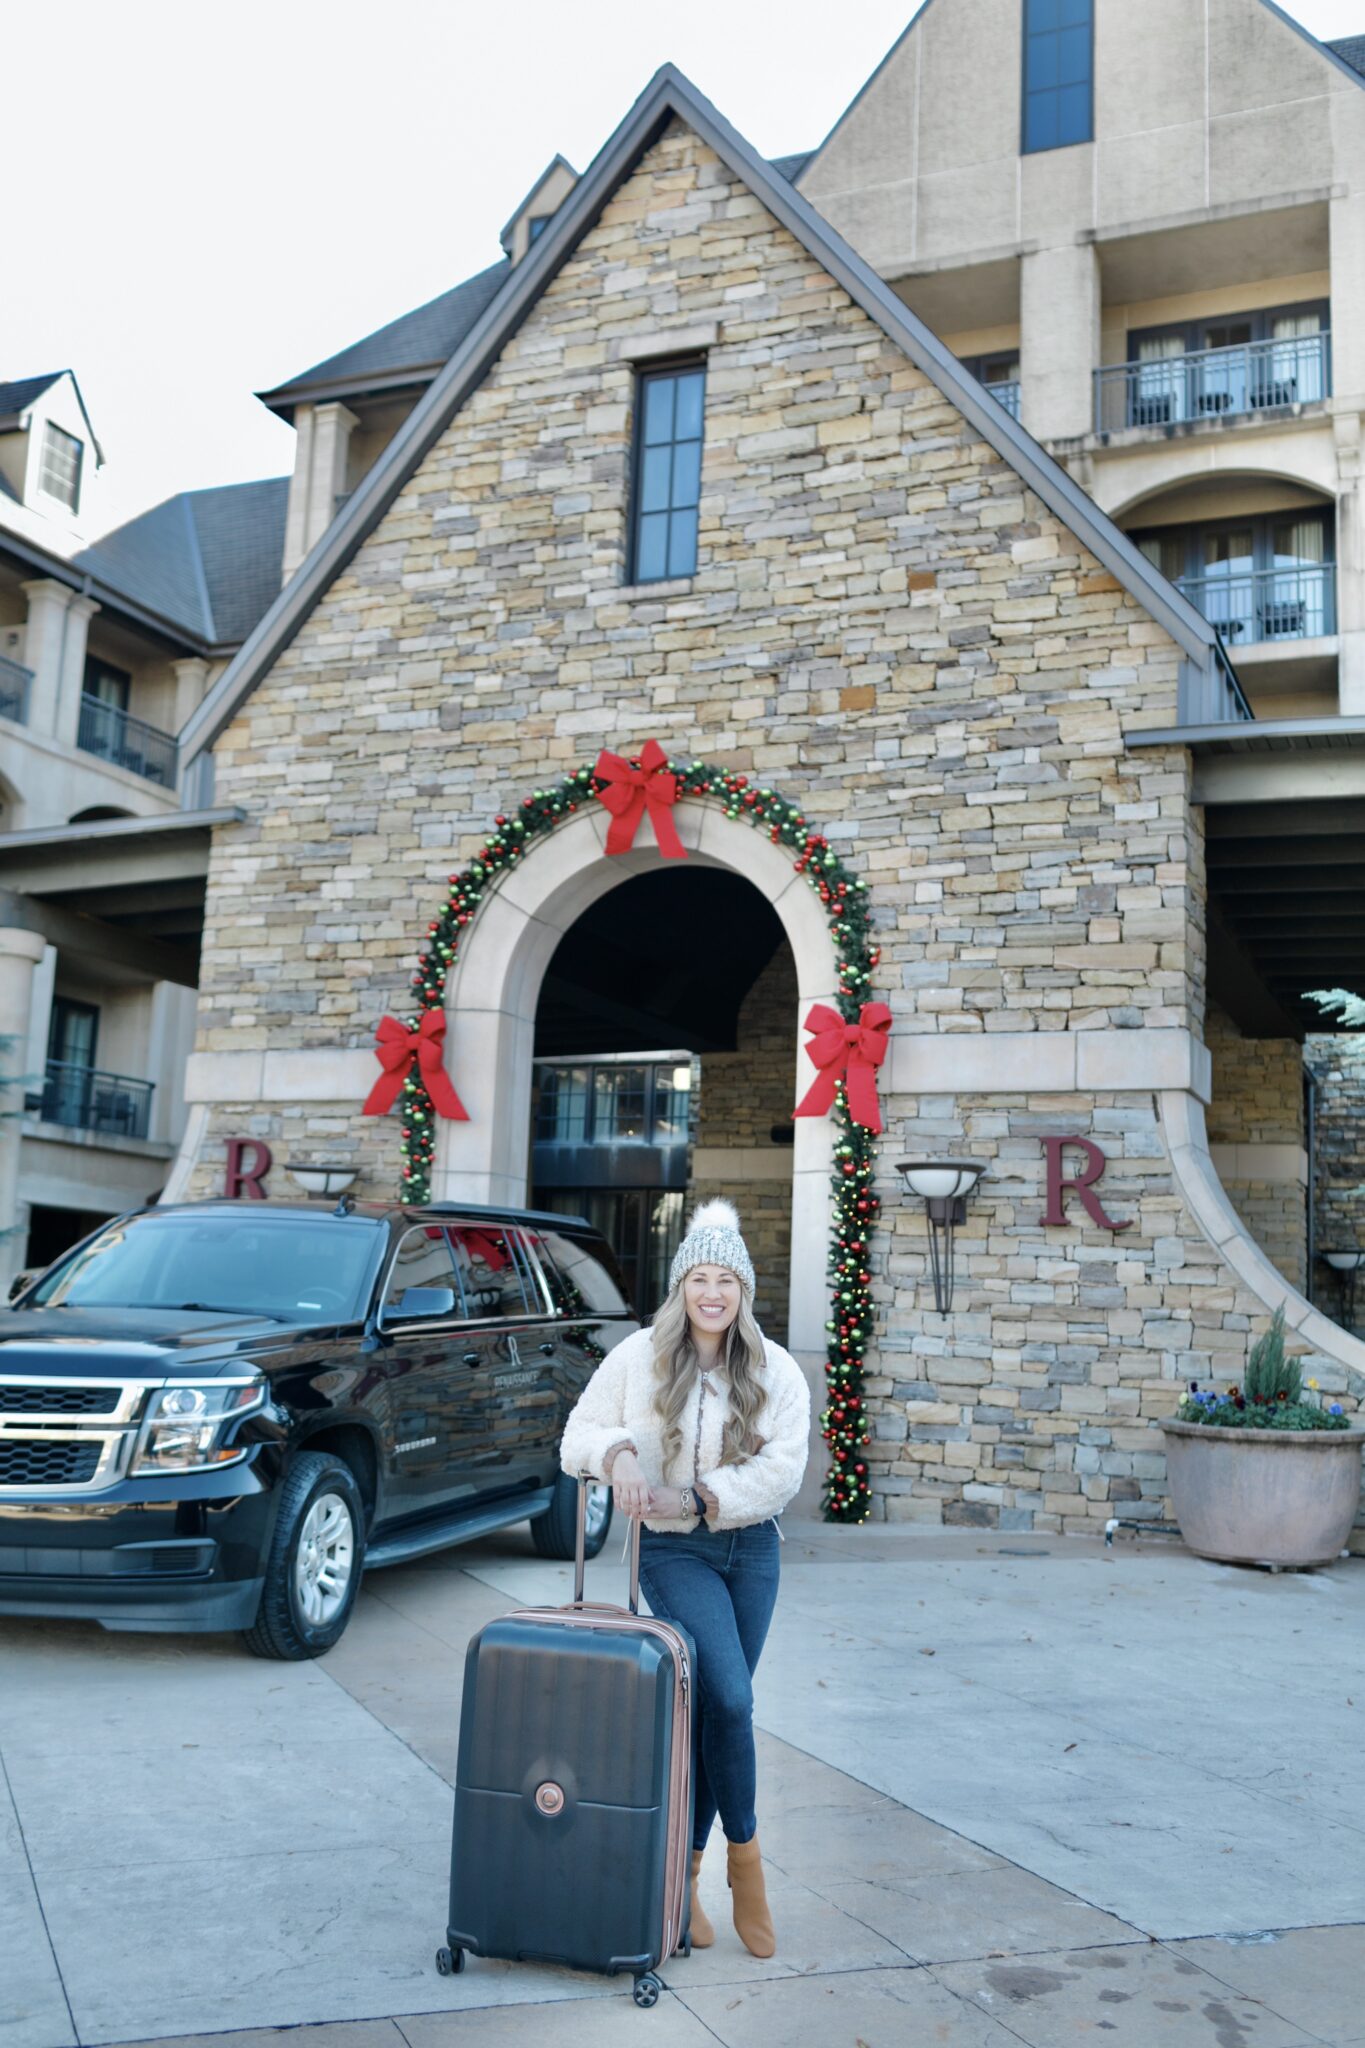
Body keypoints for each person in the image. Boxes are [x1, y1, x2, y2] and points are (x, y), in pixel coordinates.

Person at [560, 1198, 810, 1958]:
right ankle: (749, 1860)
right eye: (698, 1278)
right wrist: (621, 1457)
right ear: (680, 1289)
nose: (712, 1293)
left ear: (741, 1291)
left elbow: (783, 1470)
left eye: (725, 1280)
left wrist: (702, 1495)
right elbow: (577, 1435)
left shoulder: (773, 1370)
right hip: (674, 1554)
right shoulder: (637, 1358)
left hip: (751, 1551)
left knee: (717, 1715)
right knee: (730, 1695)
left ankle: (691, 1876)